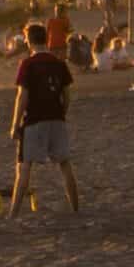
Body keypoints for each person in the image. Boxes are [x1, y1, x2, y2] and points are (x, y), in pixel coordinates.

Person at [7, 22, 79, 217]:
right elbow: (67, 95)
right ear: (46, 39)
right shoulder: (59, 63)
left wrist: (15, 124)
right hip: (57, 118)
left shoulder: (27, 64)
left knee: (24, 167)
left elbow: (22, 96)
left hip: (34, 120)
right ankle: (75, 208)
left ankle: (13, 213)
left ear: (29, 41)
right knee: (64, 163)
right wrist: (61, 112)